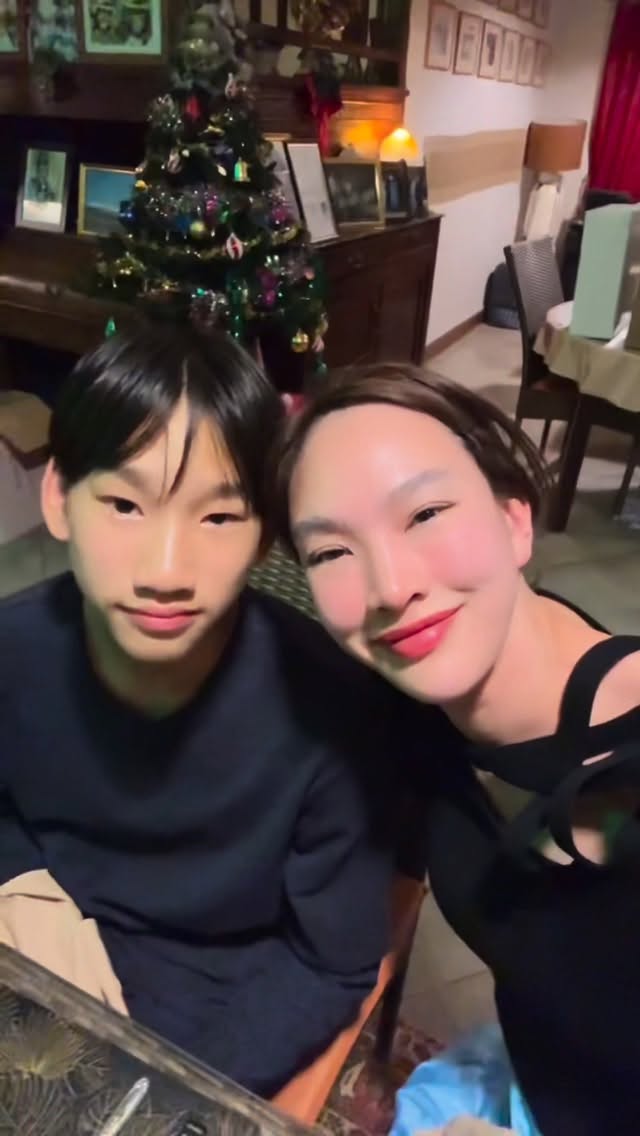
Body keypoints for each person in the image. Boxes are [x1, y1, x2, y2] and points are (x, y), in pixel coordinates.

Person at [0, 331, 426, 1098]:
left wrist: (164, 1084)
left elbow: (332, 959)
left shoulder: (336, 712)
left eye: (219, 518)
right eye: (124, 504)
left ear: (265, 533)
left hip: (221, 1004)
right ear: (59, 498)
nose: (166, 571)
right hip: (44, 950)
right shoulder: (13, 652)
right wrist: (27, 892)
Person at [273, 363, 640, 1136]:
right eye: (331, 552)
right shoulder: (419, 706)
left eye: (426, 512)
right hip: (536, 1079)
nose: (389, 587)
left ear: (515, 521)